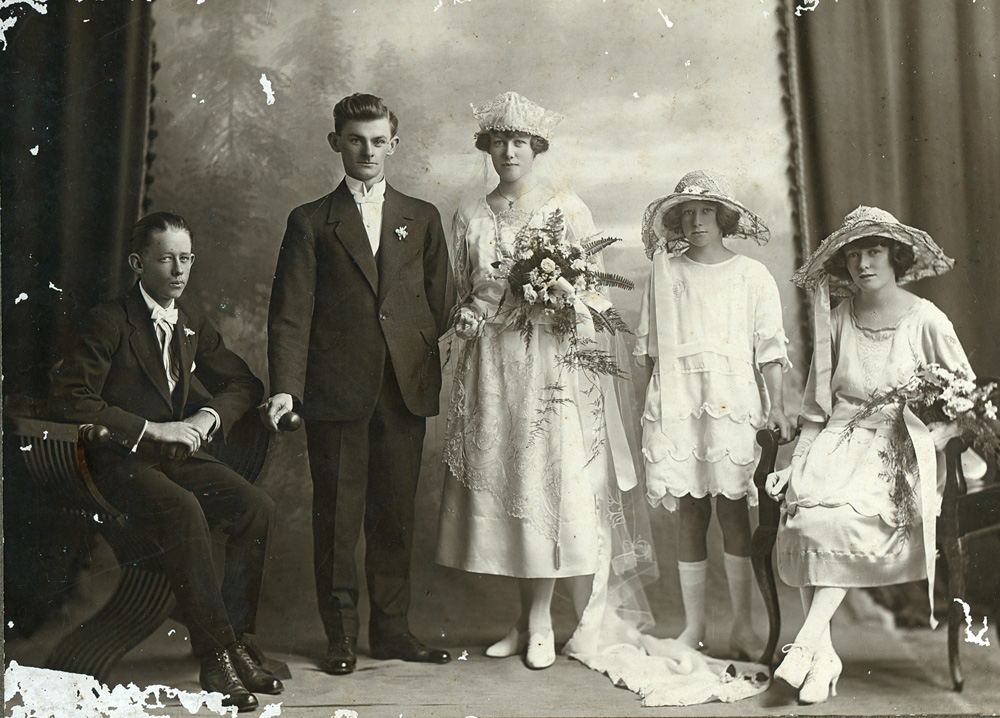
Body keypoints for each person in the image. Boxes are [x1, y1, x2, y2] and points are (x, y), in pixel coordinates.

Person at [437, 90, 651, 670]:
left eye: (521, 142)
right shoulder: (470, 215)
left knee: (541, 481)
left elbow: (593, 292)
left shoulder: (568, 209)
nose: (509, 151)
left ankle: (541, 622)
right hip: (491, 365)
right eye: (499, 141)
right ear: (487, 147)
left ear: (537, 149)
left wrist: (563, 299)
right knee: (505, 483)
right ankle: (519, 615)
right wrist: (467, 316)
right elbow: (464, 292)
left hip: (548, 364)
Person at [49, 212, 280, 713]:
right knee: (183, 510)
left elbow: (244, 384)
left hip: (176, 457)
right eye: (166, 259)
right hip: (116, 463)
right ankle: (216, 656)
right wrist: (154, 429)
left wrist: (205, 419)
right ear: (138, 263)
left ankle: (237, 641)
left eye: (187, 258)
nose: (179, 270)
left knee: (255, 507)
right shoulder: (109, 320)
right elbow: (71, 399)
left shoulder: (190, 318)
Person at [264, 93, 452, 675]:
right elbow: (290, 312)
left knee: (395, 516)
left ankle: (392, 632)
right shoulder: (311, 220)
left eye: (378, 141)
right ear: (335, 143)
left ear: (394, 145)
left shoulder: (421, 217)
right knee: (339, 519)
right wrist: (287, 388)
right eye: (355, 139)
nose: (367, 151)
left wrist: (406, 345)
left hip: (403, 389)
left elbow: (440, 303)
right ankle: (340, 637)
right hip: (336, 392)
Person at [766, 206, 971, 704]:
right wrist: (795, 463)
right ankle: (824, 653)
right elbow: (817, 408)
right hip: (839, 437)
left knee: (846, 521)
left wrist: (936, 440)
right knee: (802, 515)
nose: (863, 264)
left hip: (901, 445)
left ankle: (805, 644)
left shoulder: (927, 319)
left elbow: (966, 401)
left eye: (874, 251)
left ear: (895, 255)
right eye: (853, 255)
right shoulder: (838, 318)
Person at [635, 170, 793, 660]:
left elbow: (769, 349)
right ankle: (695, 627)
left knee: (731, 508)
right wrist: (654, 412)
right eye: (686, 214)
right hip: (680, 399)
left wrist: (778, 405)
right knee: (689, 507)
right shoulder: (665, 274)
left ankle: (742, 627)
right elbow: (649, 350)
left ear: (724, 218)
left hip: (731, 400)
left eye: (705, 212)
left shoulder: (751, 276)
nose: (696, 221)